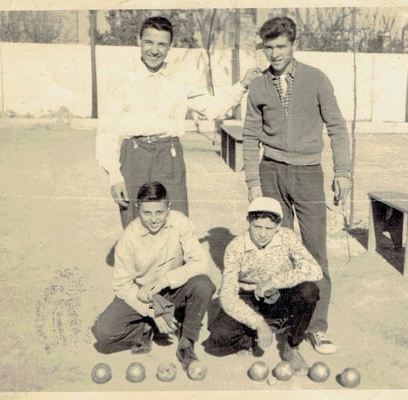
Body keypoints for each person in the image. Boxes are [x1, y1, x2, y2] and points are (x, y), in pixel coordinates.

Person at [242, 17, 351, 354]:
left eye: (281, 46)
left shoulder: (316, 79)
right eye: (269, 47)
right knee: (278, 253)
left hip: (309, 175)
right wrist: (253, 182)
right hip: (271, 173)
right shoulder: (259, 86)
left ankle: (316, 326)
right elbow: (250, 136)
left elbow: (337, 127)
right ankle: (286, 323)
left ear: (293, 44)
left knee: (314, 253)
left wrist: (343, 172)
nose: (275, 53)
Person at [96, 16, 261, 228]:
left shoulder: (180, 78)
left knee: (176, 224)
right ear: (139, 41)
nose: (154, 50)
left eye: (162, 44)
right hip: (134, 157)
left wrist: (243, 84)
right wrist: (114, 176)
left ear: (170, 46)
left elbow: (212, 108)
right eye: (149, 42)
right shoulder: (123, 79)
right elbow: (107, 131)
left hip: (170, 156)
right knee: (136, 226)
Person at [91, 181, 215, 371]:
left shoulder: (180, 222)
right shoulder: (128, 238)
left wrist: (165, 280)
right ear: (137, 208)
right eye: (147, 213)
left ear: (168, 208)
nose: (154, 219)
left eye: (159, 212)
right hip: (144, 294)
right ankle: (147, 327)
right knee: (103, 334)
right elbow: (122, 286)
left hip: (173, 289)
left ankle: (186, 341)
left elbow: (201, 263)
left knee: (203, 284)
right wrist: (153, 312)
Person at [202, 197, 323, 375]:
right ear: (248, 221)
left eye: (269, 228)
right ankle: (252, 336)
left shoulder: (287, 237)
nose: (263, 234)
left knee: (309, 290)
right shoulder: (236, 247)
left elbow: (315, 270)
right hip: (249, 296)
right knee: (219, 337)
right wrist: (257, 323)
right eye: (257, 227)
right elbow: (227, 297)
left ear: (278, 226)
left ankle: (292, 346)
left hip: (280, 294)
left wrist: (273, 282)